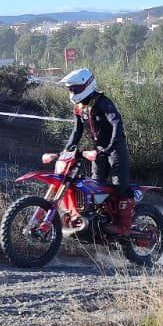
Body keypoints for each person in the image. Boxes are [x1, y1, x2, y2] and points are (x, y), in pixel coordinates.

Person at [60, 68, 134, 234]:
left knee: (119, 185)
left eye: (75, 89)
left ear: (87, 85)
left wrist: (112, 145)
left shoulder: (102, 102)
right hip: (99, 150)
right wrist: (67, 150)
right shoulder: (79, 108)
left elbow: (117, 123)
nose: (72, 92)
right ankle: (98, 221)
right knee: (95, 185)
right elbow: (77, 132)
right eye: (70, 89)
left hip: (115, 148)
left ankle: (123, 226)